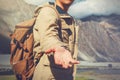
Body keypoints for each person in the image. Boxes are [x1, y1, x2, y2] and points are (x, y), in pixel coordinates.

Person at [32, 0, 79, 80]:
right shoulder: (48, 12)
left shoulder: (67, 18)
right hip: (48, 76)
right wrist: (57, 47)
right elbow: (49, 35)